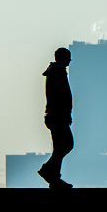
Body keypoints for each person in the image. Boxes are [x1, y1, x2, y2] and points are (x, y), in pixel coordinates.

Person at [38, 47, 74, 189]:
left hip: (57, 116)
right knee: (64, 145)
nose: (70, 60)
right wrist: (64, 114)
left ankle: (50, 173)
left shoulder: (57, 72)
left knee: (62, 146)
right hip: (57, 116)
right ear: (61, 57)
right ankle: (52, 176)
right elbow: (59, 97)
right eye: (68, 56)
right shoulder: (57, 73)